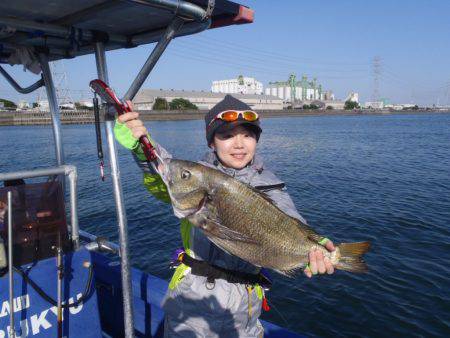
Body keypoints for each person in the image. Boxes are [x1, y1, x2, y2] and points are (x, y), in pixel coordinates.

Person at [114, 95, 335, 337]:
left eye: (248, 135)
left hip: (245, 311)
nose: (239, 144)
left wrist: (317, 244)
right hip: (192, 304)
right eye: (227, 135)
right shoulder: (198, 176)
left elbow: (289, 218)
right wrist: (140, 145)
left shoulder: (271, 185)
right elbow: (163, 170)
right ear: (212, 142)